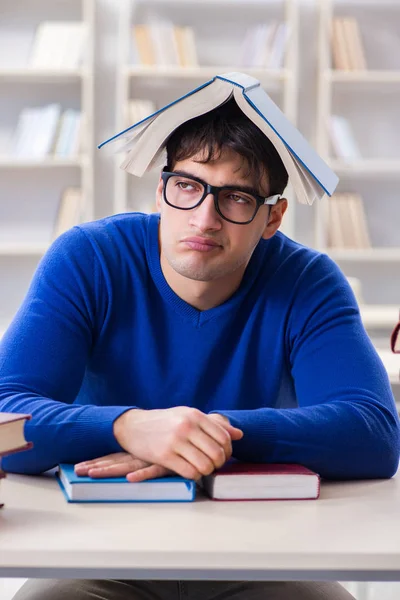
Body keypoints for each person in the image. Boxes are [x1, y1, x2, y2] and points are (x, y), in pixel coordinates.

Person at [0, 98, 399, 600]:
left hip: (266, 551)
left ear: (272, 217)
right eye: (187, 186)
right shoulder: (88, 258)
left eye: (235, 197)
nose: (205, 218)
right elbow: (5, 414)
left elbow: (374, 433)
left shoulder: (307, 280)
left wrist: (199, 438)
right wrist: (129, 426)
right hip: (97, 548)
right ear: (162, 191)